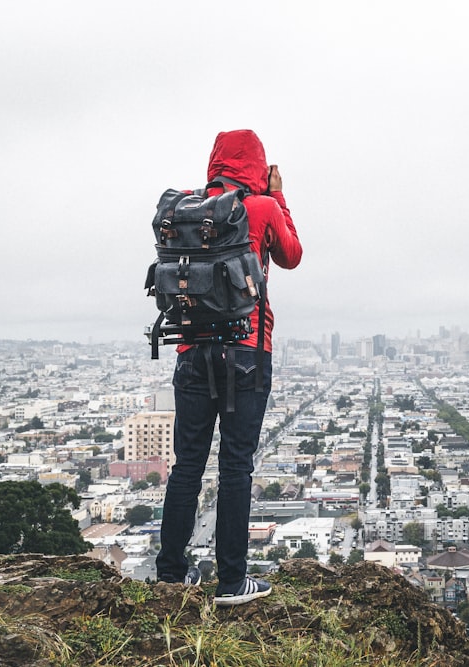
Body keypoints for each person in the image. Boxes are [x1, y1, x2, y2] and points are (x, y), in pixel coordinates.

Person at [156, 129, 302, 606]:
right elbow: (292, 256)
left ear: (215, 163)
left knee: (188, 467)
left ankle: (172, 573)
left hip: (190, 352)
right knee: (236, 466)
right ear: (257, 166)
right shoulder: (258, 208)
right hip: (246, 351)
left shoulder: (190, 211)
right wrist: (278, 195)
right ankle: (232, 582)